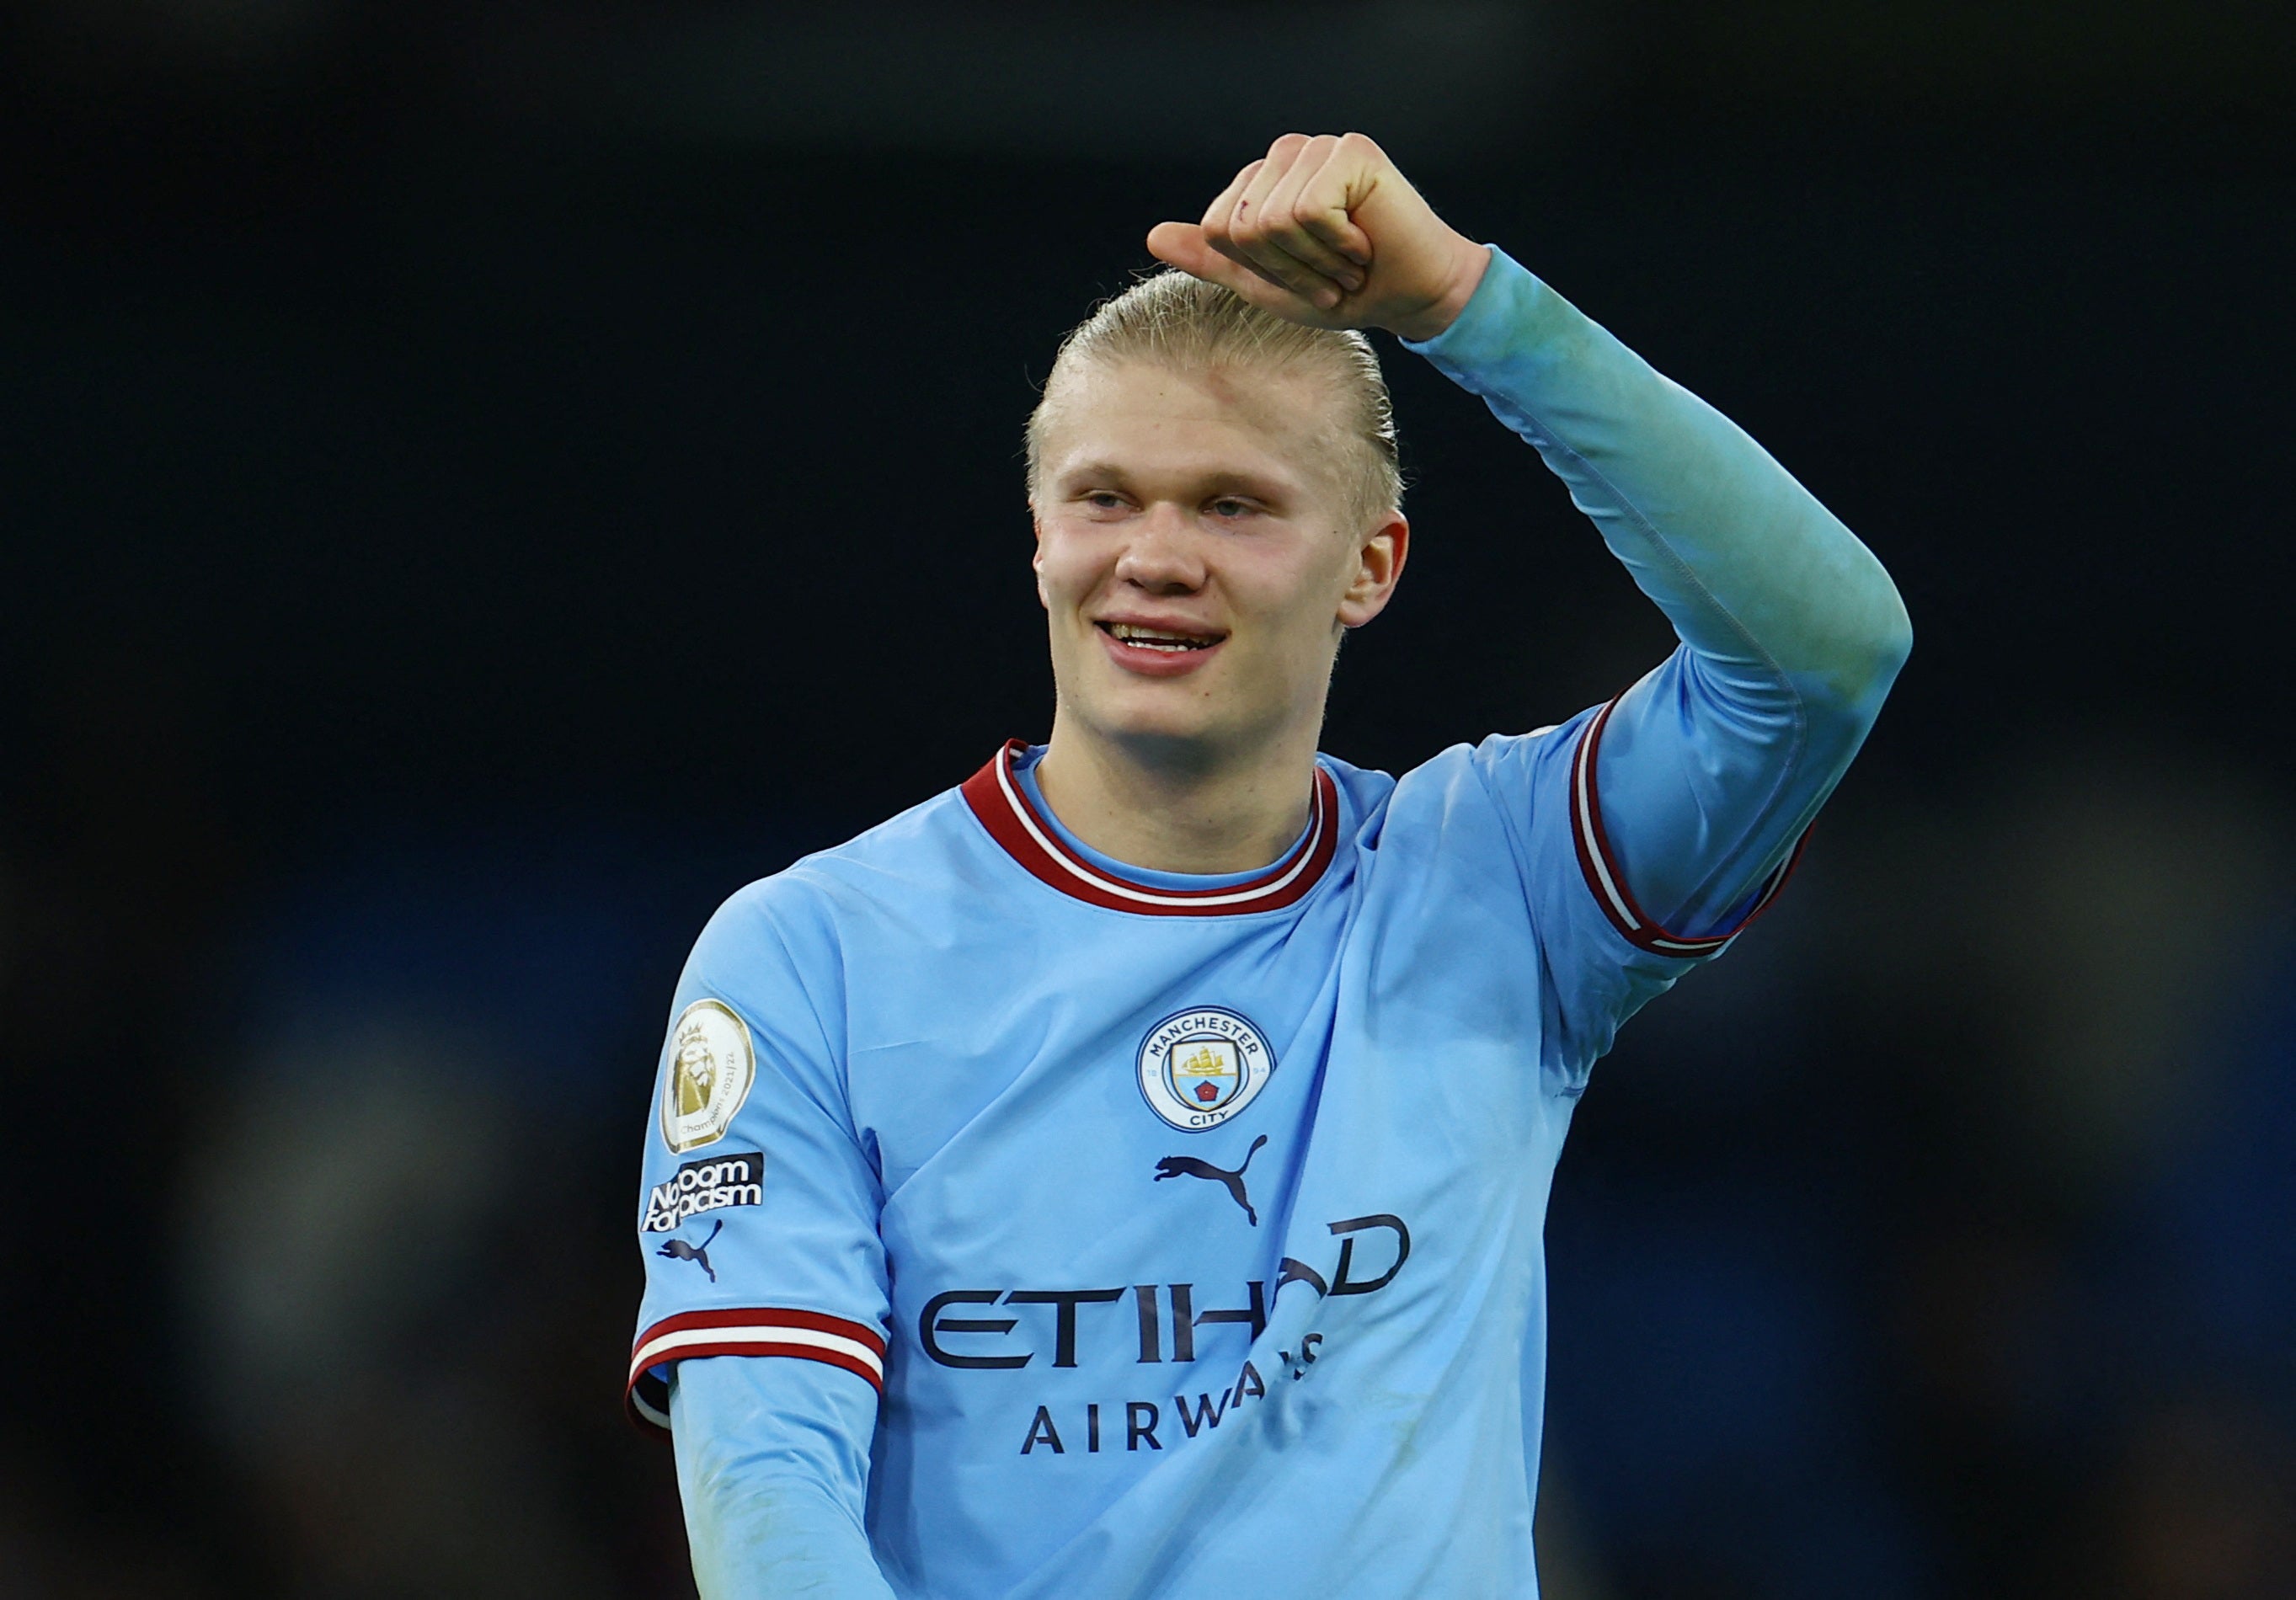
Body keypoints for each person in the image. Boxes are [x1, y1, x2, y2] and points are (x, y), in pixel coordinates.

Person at [626, 131, 1911, 1597]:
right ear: (1037, 537)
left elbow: (1823, 657)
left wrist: (1460, 307)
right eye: (1104, 498)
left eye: (1232, 505)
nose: (1155, 556)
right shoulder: (809, 954)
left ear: (1371, 564)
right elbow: (768, 1480)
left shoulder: (1497, 880)